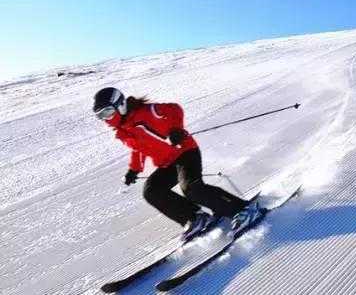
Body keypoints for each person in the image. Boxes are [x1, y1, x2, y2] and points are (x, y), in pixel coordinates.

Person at [92, 87, 262, 240]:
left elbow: (174, 109)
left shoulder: (146, 112)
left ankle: (242, 209)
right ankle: (195, 217)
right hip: (168, 163)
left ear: (120, 105)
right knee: (151, 191)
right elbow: (138, 149)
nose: (106, 119)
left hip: (185, 151)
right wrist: (134, 170)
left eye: (108, 112)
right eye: (101, 115)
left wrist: (176, 129)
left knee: (191, 188)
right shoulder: (124, 130)